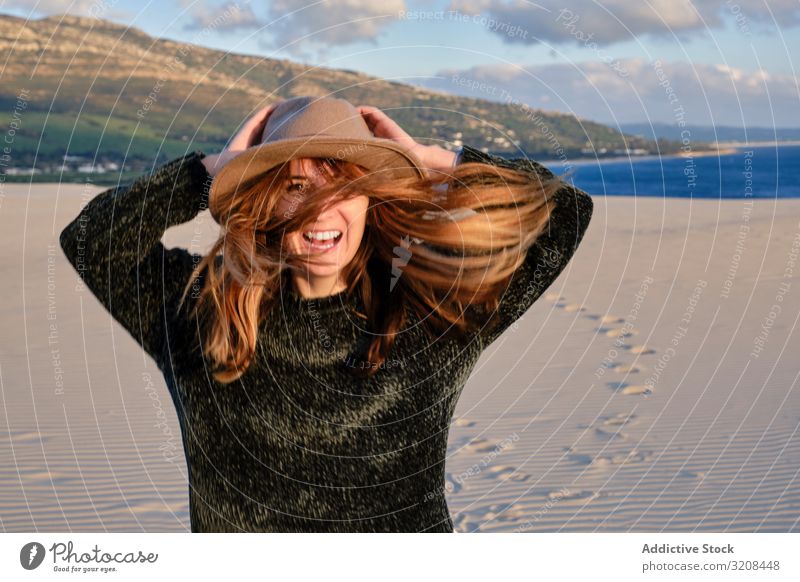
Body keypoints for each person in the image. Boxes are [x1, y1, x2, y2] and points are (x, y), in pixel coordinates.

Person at [59, 95, 594, 532]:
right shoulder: (203, 312)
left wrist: (433, 161)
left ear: (370, 200)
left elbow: (565, 213)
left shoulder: (430, 313)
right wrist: (208, 174)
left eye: (345, 186)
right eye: (294, 188)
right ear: (264, 203)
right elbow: (89, 242)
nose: (321, 208)